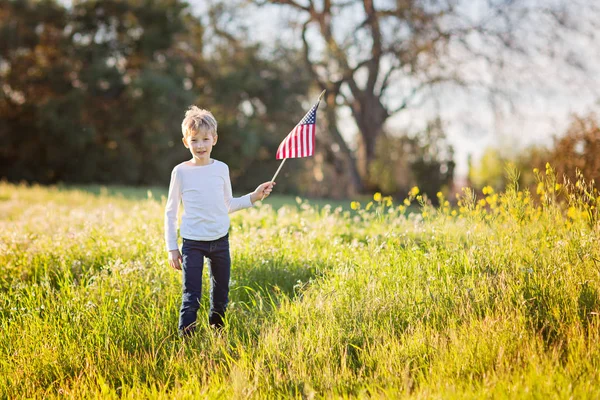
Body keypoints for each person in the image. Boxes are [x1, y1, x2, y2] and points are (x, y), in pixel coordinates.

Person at [165, 106, 275, 336]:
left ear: (214, 139)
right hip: (193, 242)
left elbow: (228, 205)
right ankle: (187, 339)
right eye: (194, 140)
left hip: (220, 241)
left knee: (221, 294)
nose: (200, 145)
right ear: (186, 142)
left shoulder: (221, 169)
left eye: (205, 139)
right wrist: (172, 248)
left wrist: (255, 196)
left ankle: (218, 334)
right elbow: (171, 212)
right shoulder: (181, 172)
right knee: (191, 295)